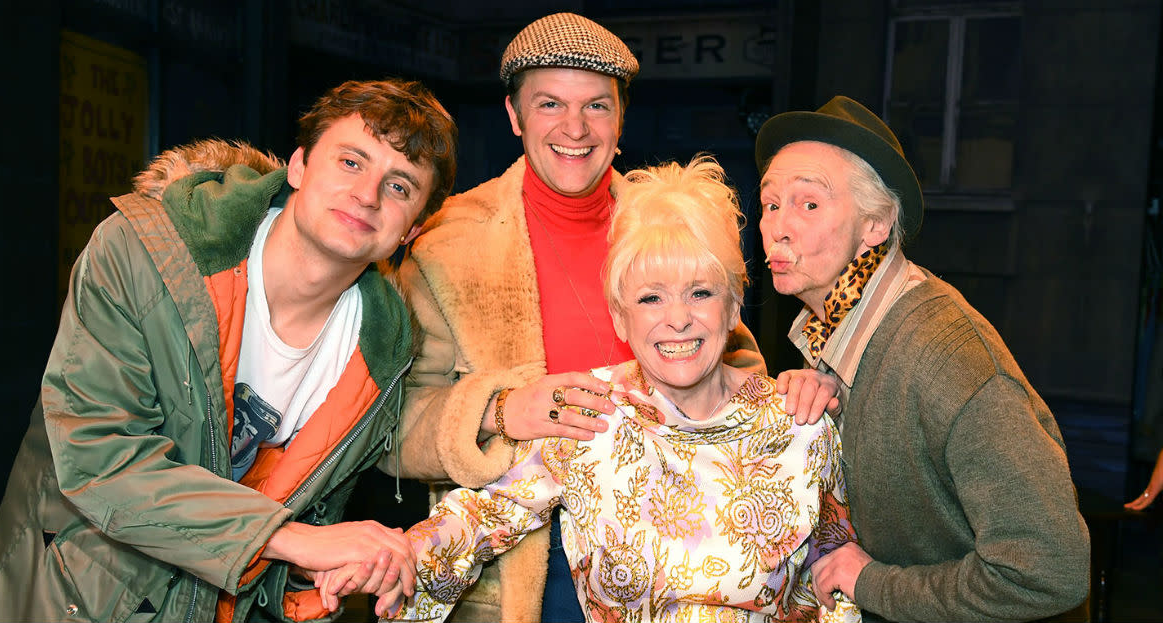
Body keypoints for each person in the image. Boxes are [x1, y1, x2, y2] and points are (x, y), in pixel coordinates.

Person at [387, 13, 837, 622]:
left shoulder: (667, 221)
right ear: (516, 115)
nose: (574, 128)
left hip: (680, 548)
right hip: (511, 568)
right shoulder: (446, 247)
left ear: (620, 118)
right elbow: (390, 427)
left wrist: (792, 394)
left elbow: (732, 366)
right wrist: (498, 410)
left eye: (596, 106)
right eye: (549, 103)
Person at [0, 79, 457, 623]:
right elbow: (98, 459)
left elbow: (303, 541)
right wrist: (290, 540)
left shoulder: (381, 352)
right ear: (297, 167)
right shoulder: (142, 253)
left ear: (412, 229)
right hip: (62, 600)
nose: (367, 194)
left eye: (400, 187)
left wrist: (329, 569)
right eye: (350, 162)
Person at [329, 156, 859, 622]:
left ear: (733, 308)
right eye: (651, 298)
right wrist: (393, 555)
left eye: (700, 292)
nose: (678, 320)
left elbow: (839, 577)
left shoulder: (800, 421)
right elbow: (478, 518)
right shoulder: (592, 416)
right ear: (619, 318)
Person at [753, 95, 1091, 621]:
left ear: (876, 226)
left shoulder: (945, 356)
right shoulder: (833, 334)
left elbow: (1049, 571)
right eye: (771, 203)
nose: (777, 225)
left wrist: (872, 583)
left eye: (809, 203)